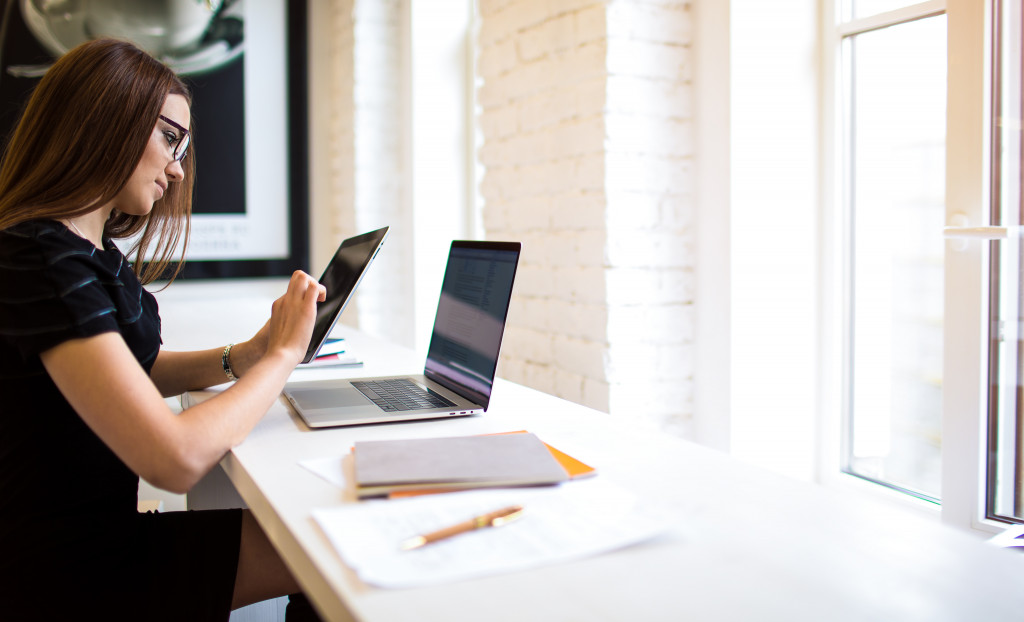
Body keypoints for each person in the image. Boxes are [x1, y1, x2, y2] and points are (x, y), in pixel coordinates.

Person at [0, 38, 326, 621]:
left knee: (315, 528)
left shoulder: (84, 252)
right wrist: (282, 357)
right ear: (107, 117)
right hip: (66, 577)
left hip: (85, 544)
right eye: (170, 137)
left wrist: (243, 356)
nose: (178, 168)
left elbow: (134, 371)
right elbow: (172, 460)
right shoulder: (41, 260)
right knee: (325, 544)